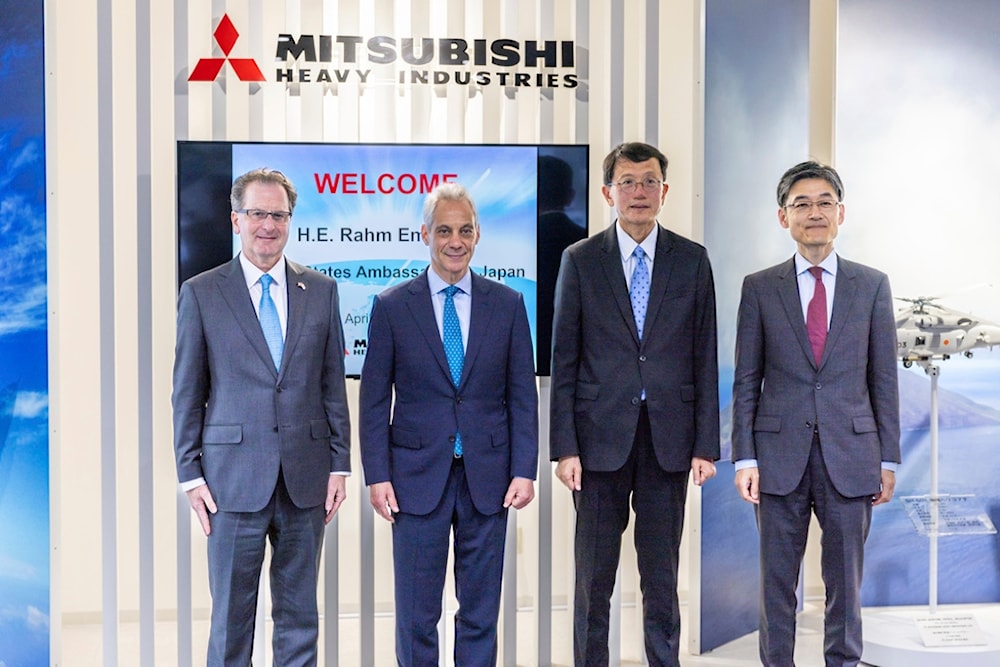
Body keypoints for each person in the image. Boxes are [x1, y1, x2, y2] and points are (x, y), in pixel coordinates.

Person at [550, 141, 720, 667]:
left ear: (665, 192)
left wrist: (705, 446)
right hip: (598, 445)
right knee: (592, 582)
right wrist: (565, 448)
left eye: (649, 182)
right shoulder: (579, 261)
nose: (639, 192)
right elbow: (565, 359)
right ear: (608, 192)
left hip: (669, 443)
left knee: (662, 579)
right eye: (627, 182)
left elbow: (704, 356)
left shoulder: (692, 261)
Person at [172, 167, 351, 666]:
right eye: (257, 213)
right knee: (231, 620)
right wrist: (190, 474)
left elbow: (331, 386)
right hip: (230, 485)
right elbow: (187, 391)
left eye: (278, 214)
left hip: (306, 479)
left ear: (290, 221)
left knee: (299, 620)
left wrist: (340, 465)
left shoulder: (321, 290)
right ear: (236, 219)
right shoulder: (202, 293)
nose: (267, 225)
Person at [359, 182, 538, 666]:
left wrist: (526, 469)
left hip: (490, 479)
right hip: (415, 481)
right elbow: (374, 401)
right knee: (417, 614)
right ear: (425, 235)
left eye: (464, 230)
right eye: (443, 230)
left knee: (480, 612)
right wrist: (378, 476)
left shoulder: (508, 304)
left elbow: (523, 393)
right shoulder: (393, 307)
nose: (454, 241)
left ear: (477, 235)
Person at [731, 161, 900, 667]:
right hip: (778, 459)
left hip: (853, 456)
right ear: (784, 218)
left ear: (841, 212)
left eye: (824, 202)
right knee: (777, 587)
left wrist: (887, 459)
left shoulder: (872, 285)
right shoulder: (760, 287)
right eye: (801, 204)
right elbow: (746, 379)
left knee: (845, 586)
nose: (814, 212)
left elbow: (883, 380)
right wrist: (744, 459)